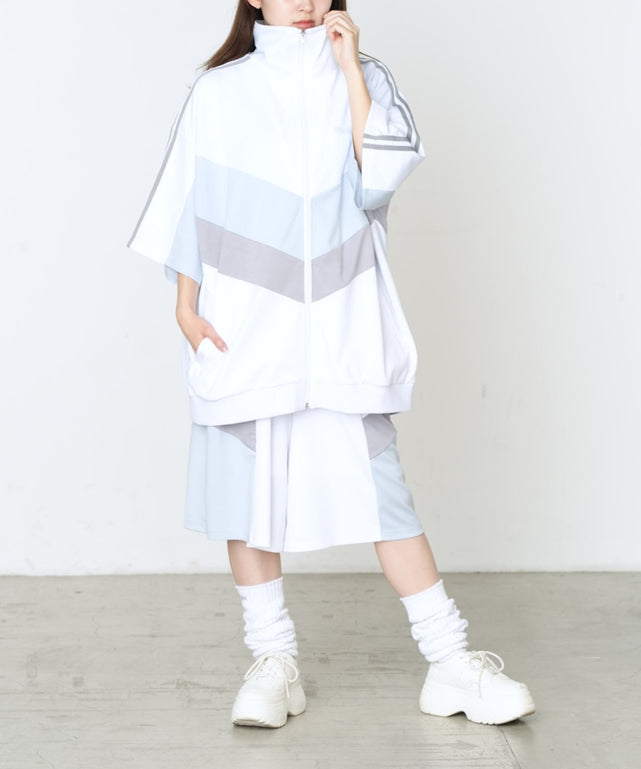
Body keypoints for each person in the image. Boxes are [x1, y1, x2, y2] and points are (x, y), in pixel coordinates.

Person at [127, 0, 535, 729]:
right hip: (247, 326)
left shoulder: (367, 76)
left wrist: (350, 73)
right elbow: (188, 198)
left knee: (385, 499)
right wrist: (184, 304)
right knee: (246, 499)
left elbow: (378, 181)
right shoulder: (219, 91)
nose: (307, 2)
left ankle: (450, 663)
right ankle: (272, 662)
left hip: (341, 326)